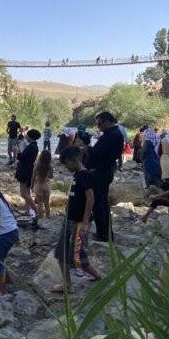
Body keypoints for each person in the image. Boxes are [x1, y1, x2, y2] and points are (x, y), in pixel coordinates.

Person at [52, 147, 101, 293]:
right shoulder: (77, 174)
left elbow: (91, 198)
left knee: (77, 255)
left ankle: (98, 276)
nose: (66, 167)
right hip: (70, 219)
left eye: (66, 164)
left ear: (74, 160)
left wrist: (85, 222)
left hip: (78, 222)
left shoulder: (85, 175)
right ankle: (67, 284)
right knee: (61, 252)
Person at [85, 111, 123, 243]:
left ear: (108, 121)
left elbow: (98, 154)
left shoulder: (112, 135)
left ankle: (104, 234)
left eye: (100, 123)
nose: (98, 126)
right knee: (101, 203)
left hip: (102, 172)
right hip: (104, 171)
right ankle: (104, 232)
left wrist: (86, 147)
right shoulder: (111, 133)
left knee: (99, 204)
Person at [15, 128, 41, 227]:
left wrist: (17, 151)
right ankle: (27, 210)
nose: (25, 135)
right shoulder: (34, 146)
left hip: (24, 170)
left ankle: (35, 210)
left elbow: (21, 157)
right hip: (28, 169)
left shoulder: (31, 147)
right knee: (27, 191)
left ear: (30, 136)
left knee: (23, 193)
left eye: (27, 135)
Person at [32, 149, 54, 218]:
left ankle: (40, 217)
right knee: (46, 203)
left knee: (40, 203)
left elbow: (33, 176)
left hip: (39, 185)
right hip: (47, 185)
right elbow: (51, 176)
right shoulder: (50, 166)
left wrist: (32, 185)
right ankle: (48, 217)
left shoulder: (38, 165)